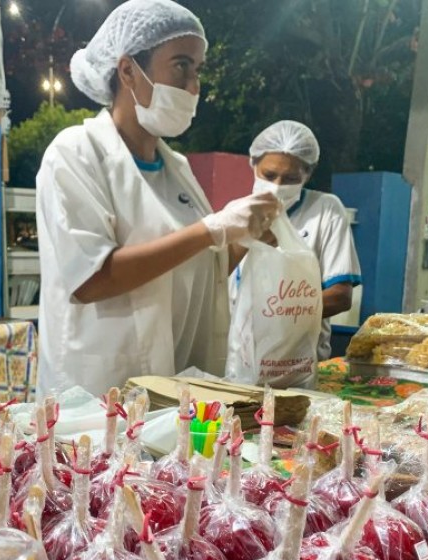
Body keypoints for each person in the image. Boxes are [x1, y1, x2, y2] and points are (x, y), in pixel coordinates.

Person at [35, 0, 279, 397]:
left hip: (177, 386)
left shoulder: (176, 168)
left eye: (197, 70)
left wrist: (241, 238)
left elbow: (202, 268)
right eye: (181, 65)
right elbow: (91, 280)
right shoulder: (76, 154)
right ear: (128, 71)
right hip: (99, 392)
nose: (194, 86)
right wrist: (211, 229)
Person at [236, 120, 362, 361]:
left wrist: (274, 319)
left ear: (308, 174)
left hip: (298, 363)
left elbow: (340, 296)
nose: (277, 186)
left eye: (290, 178)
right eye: (269, 175)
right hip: (240, 359)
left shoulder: (325, 210)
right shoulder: (237, 214)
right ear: (253, 164)